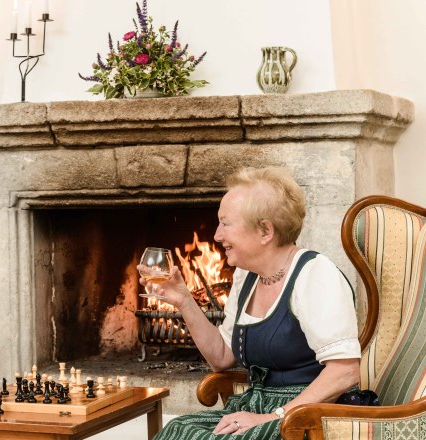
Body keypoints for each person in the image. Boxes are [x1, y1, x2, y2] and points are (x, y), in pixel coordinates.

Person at [141, 167, 361, 439]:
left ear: (265, 231)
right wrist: (184, 300)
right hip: (256, 406)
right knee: (177, 430)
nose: (217, 236)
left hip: (309, 415)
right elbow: (221, 358)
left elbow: (345, 372)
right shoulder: (247, 276)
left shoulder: (316, 274)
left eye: (226, 223)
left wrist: (274, 416)